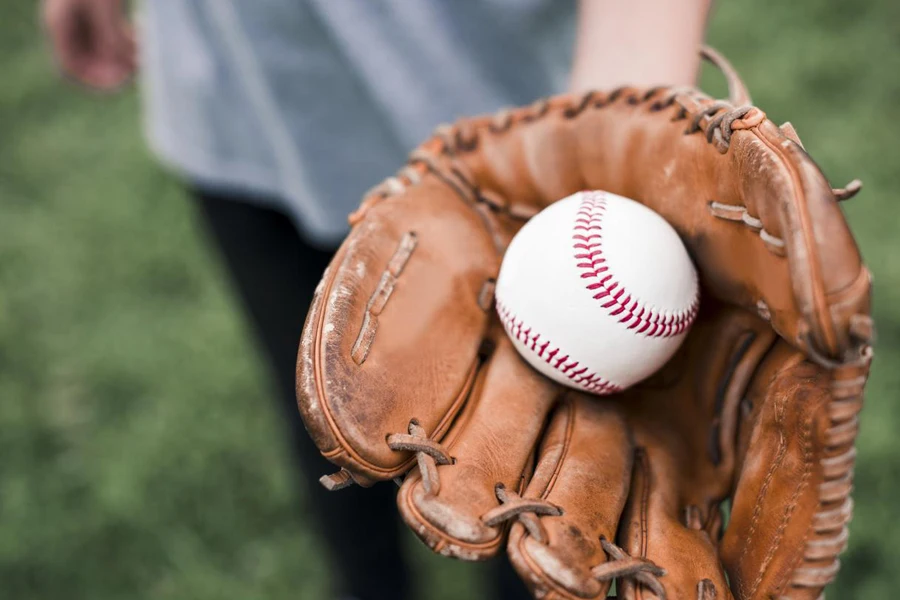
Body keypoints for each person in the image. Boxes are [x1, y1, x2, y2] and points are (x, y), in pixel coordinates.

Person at [41, 1, 712, 598]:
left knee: (529, 479)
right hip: (243, 97)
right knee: (324, 414)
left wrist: (616, 123)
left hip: (508, 146)